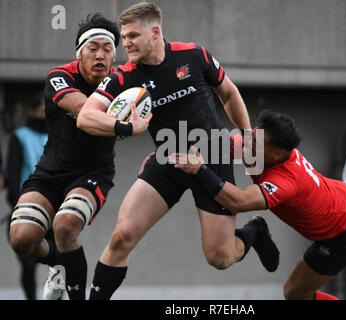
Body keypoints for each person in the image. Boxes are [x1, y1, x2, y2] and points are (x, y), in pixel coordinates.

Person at [77, 2, 279, 300]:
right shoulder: (123, 77)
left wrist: (247, 134)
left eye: (133, 35)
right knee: (122, 236)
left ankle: (254, 232)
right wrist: (126, 128)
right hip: (168, 157)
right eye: (124, 36)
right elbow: (86, 116)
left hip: (214, 157)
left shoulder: (194, 56)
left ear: (155, 32)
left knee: (220, 258)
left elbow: (229, 92)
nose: (126, 43)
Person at [170, 109, 346, 300]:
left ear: (278, 154)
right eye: (252, 137)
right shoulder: (263, 145)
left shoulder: (286, 180)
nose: (248, 144)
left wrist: (200, 170)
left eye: (256, 144)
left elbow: (239, 200)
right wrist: (180, 153)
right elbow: (223, 146)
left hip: (341, 233)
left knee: (293, 293)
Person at [8, 13, 125, 300]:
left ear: (114, 57)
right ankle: (58, 263)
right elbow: (86, 112)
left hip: (93, 173)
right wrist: (125, 123)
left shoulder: (123, 82)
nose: (100, 55)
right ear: (80, 53)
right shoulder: (59, 77)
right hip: (51, 171)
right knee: (22, 239)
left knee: (65, 226)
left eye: (107, 49)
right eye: (93, 48)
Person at [5, 93, 48, 300]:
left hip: (55, 209)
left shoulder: (57, 136)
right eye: (40, 109)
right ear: (31, 111)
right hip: (26, 208)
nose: (44, 113)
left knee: (58, 264)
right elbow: (13, 174)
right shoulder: (20, 136)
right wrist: (17, 206)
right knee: (28, 264)